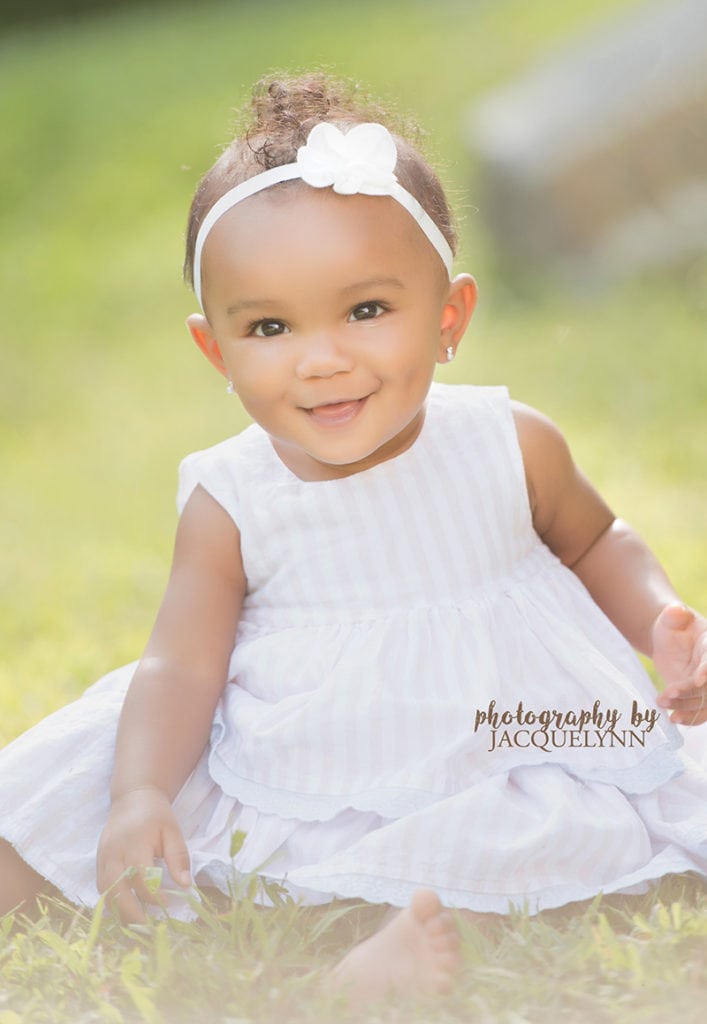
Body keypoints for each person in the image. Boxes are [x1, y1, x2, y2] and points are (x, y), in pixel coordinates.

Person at [1, 72, 706, 1004]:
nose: (321, 358)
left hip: (494, 727)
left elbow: (597, 540)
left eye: (366, 311)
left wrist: (659, 619)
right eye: (269, 326)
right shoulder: (231, 498)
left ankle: (389, 956)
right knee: (56, 801)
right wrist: (140, 793)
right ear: (215, 350)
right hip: (304, 734)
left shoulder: (509, 442)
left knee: (512, 837)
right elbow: (180, 666)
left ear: (449, 317)